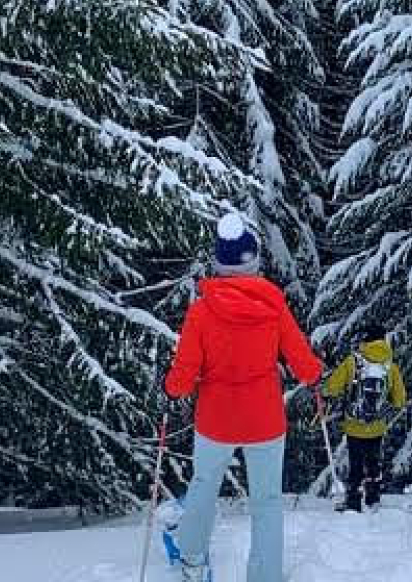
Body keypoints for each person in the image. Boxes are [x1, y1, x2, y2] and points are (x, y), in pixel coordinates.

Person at [162, 213, 323, 582]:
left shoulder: (201, 311)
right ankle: (265, 575)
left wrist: (169, 388)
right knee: (266, 503)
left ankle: (190, 557)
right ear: (253, 261)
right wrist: (314, 376)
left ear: (218, 263)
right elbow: (301, 359)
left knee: (203, 488)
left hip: (216, 421)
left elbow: (184, 376)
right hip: (264, 421)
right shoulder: (273, 305)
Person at [321, 322, 408, 512]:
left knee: (356, 464)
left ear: (365, 340)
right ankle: (373, 497)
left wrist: (325, 393)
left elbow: (331, 388)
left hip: (354, 424)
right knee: (374, 461)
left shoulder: (353, 362)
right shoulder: (389, 366)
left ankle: (353, 500)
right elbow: (400, 400)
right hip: (377, 425)